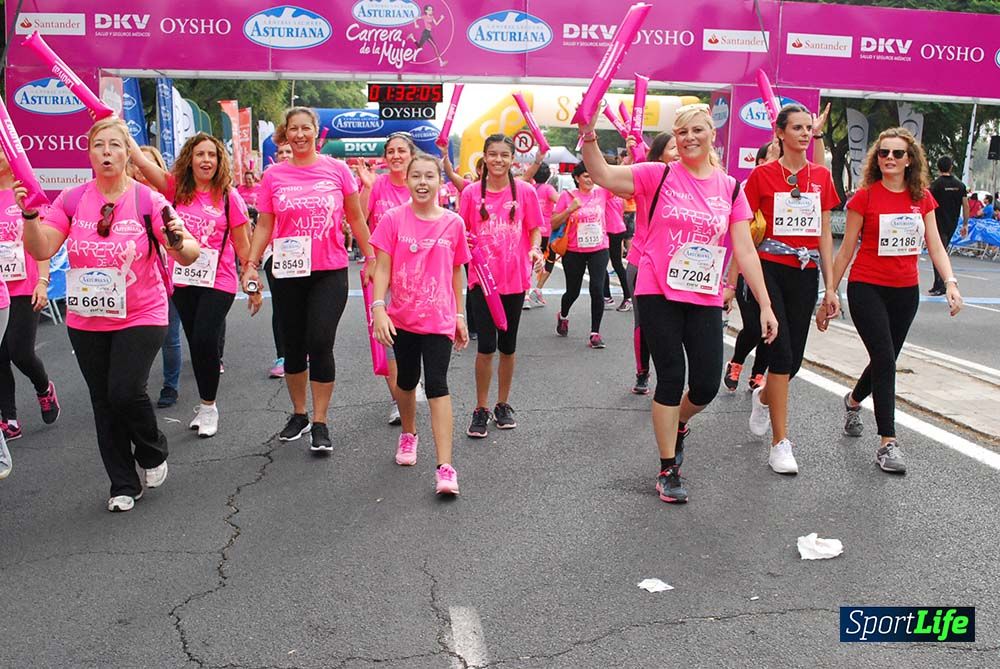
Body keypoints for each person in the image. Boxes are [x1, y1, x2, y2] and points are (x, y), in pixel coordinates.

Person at [577, 103, 777, 503]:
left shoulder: (730, 187)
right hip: (656, 288)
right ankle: (668, 467)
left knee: (704, 383)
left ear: (711, 135)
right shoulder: (659, 174)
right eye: (682, 132)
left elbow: (745, 250)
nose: (689, 138)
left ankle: (680, 422)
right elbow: (602, 174)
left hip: (702, 294)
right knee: (671, 375)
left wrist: (765, 305)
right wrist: (589, 134)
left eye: (697, 130)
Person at [21, 117, 200, 511]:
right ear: (89, 153)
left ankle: (152, 451)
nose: (106, 152)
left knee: (124, 390)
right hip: (87, 317)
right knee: (103, 400)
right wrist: (30, 218)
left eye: (115, 145)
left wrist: (176, 240)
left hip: (142, 311)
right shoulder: (71, 199)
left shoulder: (148, 201)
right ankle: (122, 483)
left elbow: (189, 251)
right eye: (99, 145)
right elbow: (41, 249)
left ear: (127, 154)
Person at [824, 128, 963, 473]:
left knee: (885, 359)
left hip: (905, 292)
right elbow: (845, 251)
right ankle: (888, 443)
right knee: (885, 358)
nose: (889, 158)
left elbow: (934, 245)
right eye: (884, 152)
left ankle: (853, 401)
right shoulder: (865, 197)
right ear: (876, 158)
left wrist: (951, 282)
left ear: (910, 160)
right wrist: (829, 292)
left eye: (897, 154)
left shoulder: (923, 199)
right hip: (866, 286)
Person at [241, 107, 375, 453]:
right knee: (293, 345)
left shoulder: (337, 170)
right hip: (286, 271)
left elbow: (356, 218)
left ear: (316, 132)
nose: (300, 135)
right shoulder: (274, 176)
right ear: (286, 134)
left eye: (306, 128)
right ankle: (299, 413)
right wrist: (252, 263)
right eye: (293, 129)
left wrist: (371, 256)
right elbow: (266, 225)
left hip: (328, 271)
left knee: (320, 341)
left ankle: (320, 421)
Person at [131, 132, 262, 438]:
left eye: (212, 155)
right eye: (200, 154)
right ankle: (205, 405)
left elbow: (244, 248)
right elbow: (140, 161)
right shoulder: (175, 189)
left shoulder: (230, 197)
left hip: (220, 279)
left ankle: (208, 407)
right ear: (189, 159)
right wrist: (119, 130)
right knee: (196, 342)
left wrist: (252, 285)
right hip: (183, 279)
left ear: (220, 162)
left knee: (204, 338)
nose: (206, 160)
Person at [744, 104, 841, 475]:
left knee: (793, 361)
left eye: (808, 128)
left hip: (806, 271)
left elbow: (823, 234)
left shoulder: (820, 177)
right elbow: (742, 229)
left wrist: (831, 287)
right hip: (769, 268)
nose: (804, 133)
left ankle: (763, 396)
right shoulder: (762, 176)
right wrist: (731, 278)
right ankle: (780, 444)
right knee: (781, 353)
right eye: (797, 128)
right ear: (780, 133)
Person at [370, 154, 470, 494]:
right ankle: (409, 434)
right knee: (408, 380)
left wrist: (459, 314)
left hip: (439, 318)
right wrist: (379, 308)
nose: (423, 182)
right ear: (407, 180)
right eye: (417, 176)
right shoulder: (392, 219)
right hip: (403, 318)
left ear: (441, 181)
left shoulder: (453, 223)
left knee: (438, 384)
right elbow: (381, 268)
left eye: (430, 176)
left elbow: (457, 271)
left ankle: (445, 467)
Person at [458, 133, 543, 438]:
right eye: (492, 154)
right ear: (484, 157)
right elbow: (461, 232)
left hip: (515, 280)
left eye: (504, 155)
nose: (498, 160)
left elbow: (535, 230)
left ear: (512, 159)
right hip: (482, 281)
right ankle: (480, 408)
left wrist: (535, 249)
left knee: (508, 346)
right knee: (487, 346)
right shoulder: (469, 193)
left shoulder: (525, 192)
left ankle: (502, 404)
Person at [357, 132, 421, 426]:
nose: (396, 156)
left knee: (415, 333)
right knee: (387, 337)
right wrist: (368, 187)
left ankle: (410, 382)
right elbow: (357, 218)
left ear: (411, 154)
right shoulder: (377, 184)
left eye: (401, 151)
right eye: (391, 151)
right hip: (380, 272)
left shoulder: (420, 183)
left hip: (417, 273)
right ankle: (398, 399)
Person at [0, 153, 60, 443]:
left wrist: (43, 282)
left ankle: (44, 387)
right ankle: (9, 419)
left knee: (20, 352)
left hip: (25, 288)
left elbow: (44, 242)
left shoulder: (27, 192)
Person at [624, 132, 678, 395]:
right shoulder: (650, 177)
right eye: (673, 148)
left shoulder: (693, 183)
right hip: (642, 261)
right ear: (658, 156)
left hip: (678, 266)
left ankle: (671, 375)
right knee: (643, 321)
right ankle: (642, 371)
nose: (680, 151)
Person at [129, 145, 183, 408]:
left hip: (168, 277)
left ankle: (170, 386)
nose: (141, 171)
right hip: (133, 281)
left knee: (170, 336)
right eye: (137, 165)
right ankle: (136, 386)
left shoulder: (169, 199)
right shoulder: (124, 199)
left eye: (147, 164)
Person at [724, 141, 776, 393]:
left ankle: (758, 374)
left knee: (770, 327)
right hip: (749, 272)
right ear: (758, 162)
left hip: (777, 273)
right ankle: (736, 362)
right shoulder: (745, 192)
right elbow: (741, 246)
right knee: (754, 327)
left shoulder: (789, 192)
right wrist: (731, 285)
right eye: (771, 157)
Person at [551, 161, 612, 349]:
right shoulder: (567, 197)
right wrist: (570, 210)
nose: (590, 179)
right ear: (577, 178)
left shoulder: (602, 193)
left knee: (597, 288)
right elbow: (553, 223)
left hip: (599, 248)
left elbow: (622, 181)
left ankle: (595, 333)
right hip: (574, 250)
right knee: (573, 291)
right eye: (586, 175)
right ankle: (563, 315)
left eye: (592, 175)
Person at [928, 156, 969, 295]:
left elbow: (928, 204)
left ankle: (941, 284)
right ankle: (937, 283)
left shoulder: (936, 185)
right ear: (951, 167)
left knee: (938, 252)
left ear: (939, 167)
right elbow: (966, 205)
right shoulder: (960, 185)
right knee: (942, 250)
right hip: (952, 222)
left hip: (938, 222)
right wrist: (965, 224)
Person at [524, 162, 558, 309]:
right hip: (547, 232)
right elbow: (560, 201)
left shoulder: (529, 188)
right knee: (549, 261)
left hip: (531, 231)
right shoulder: (549, 189)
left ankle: (525, 295)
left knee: (529, 263)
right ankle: (538, 288)